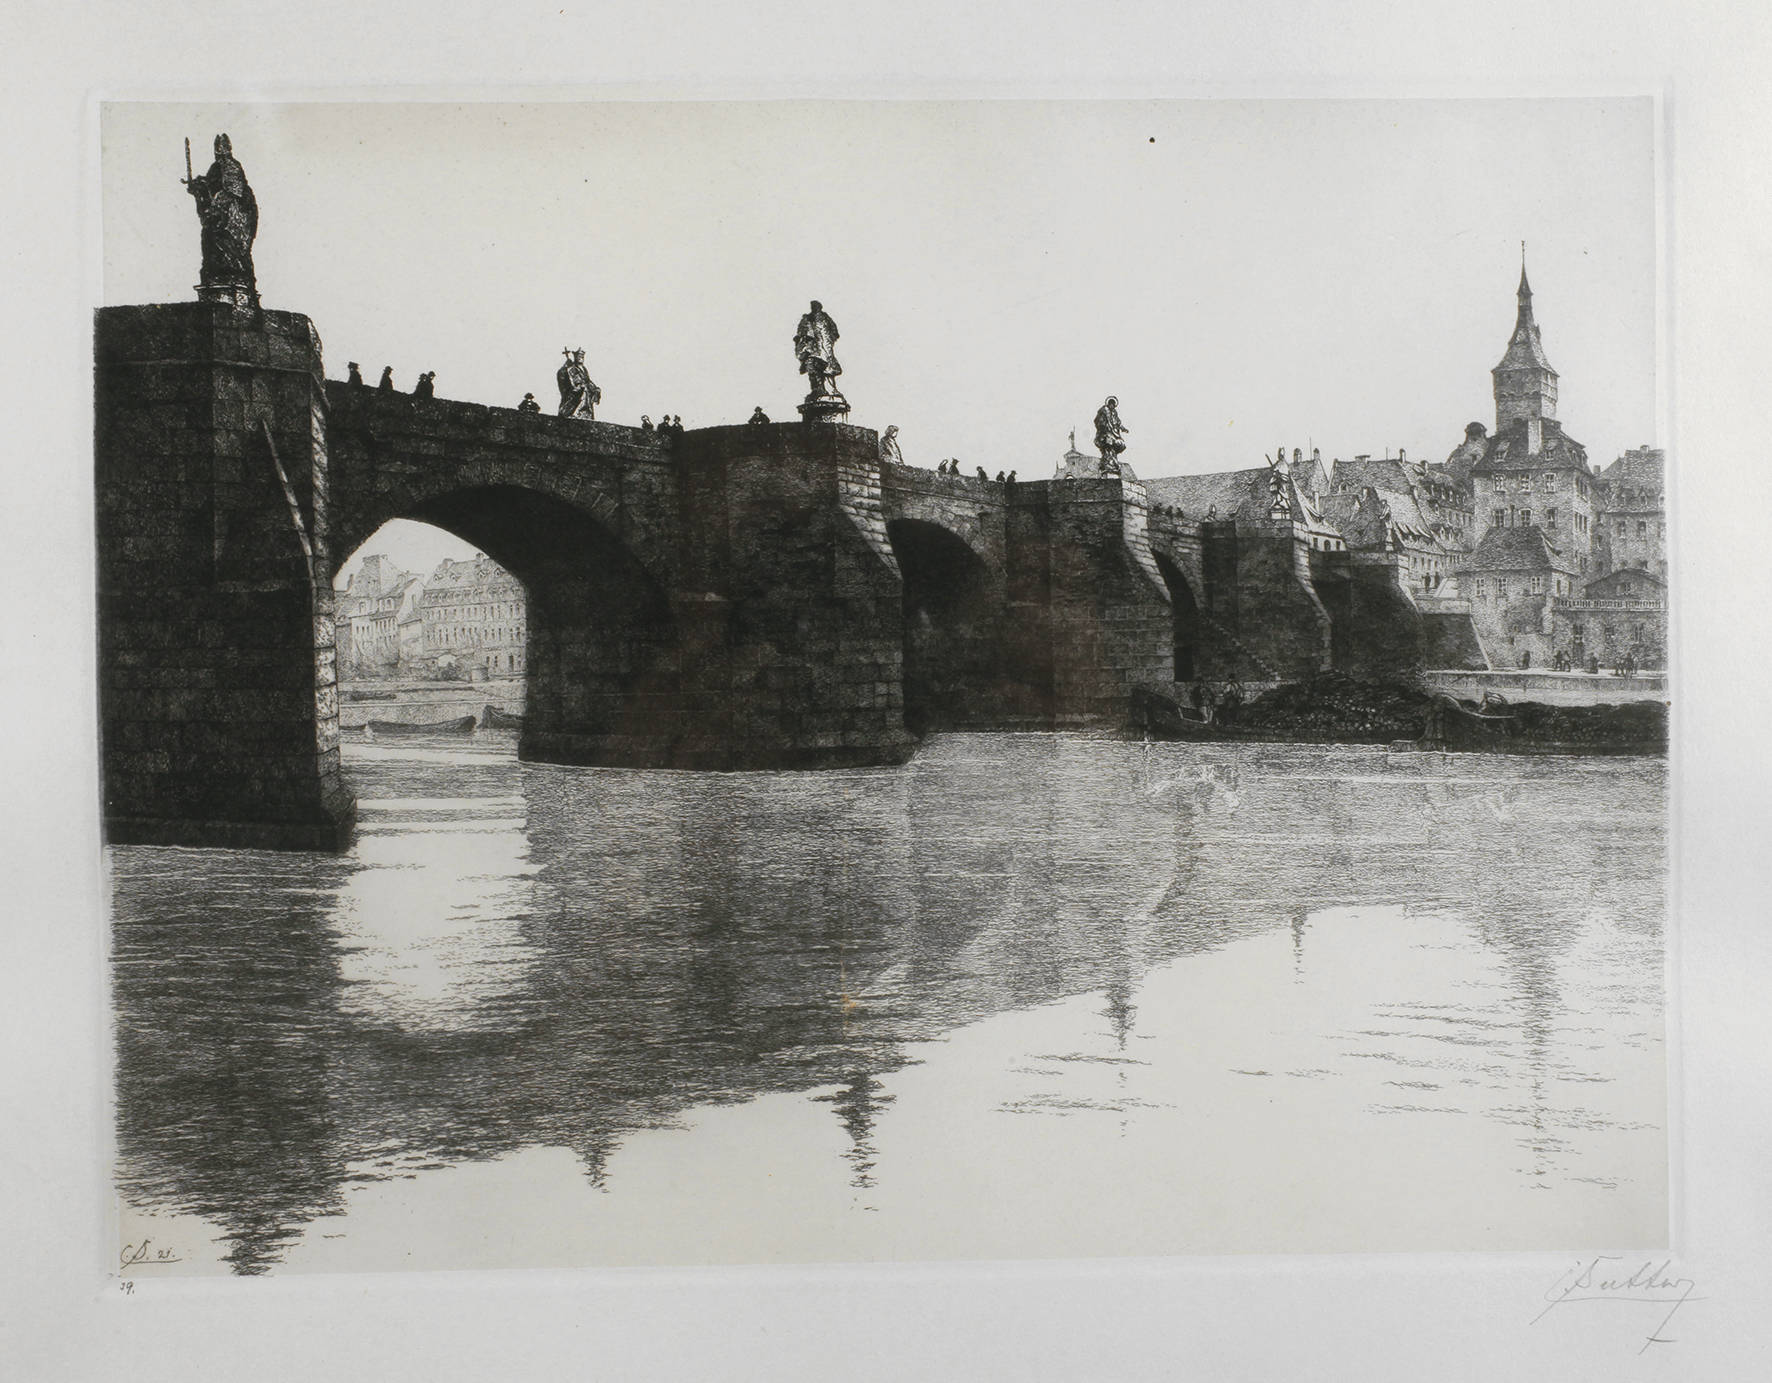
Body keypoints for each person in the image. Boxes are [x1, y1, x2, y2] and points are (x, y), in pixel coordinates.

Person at [184, 133, 258, 299]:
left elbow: (233, 192)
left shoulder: (232, 166)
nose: (219, 150)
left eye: (222, 146)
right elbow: (210, 188)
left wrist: (217, 203)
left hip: (232, 219)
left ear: (228, 148)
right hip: (219, 217)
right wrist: (199, 186)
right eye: (217, 146)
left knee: (226, 247)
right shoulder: (215, 167)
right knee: (210, 243)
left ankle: (233, 276)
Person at [794, 300, 843, 399]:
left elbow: (835, 332)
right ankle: (818, 389)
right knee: (812, 367)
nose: (815, 308)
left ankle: (831, 389)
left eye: (816, 307)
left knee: (828, 369)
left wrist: (829, 340)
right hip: (812, 349)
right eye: (813, 307)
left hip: (824, 348)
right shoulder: (807, 319)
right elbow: (801, 333)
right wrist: (804, 341)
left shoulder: (825, 318)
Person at [556, 348, 599, 419]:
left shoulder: (583, 369)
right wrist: (578, 386)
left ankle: (585, 414)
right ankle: (574, 413)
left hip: (584, 392)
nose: (581, 358)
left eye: (582, 357)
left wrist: (595, 388)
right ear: (575, 357)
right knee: (583, 391)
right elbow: (572, 380)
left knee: (587, 391)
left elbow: (587, 380)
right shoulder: (571, 368)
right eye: (579, 357)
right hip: (576, 393)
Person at [1094, 396, 1129, 468]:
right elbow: (1097, 421)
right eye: (1111, 404)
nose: (1112, 406)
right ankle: (1107, 461)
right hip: (1104, 433)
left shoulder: (1114, 412)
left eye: (1113, 404)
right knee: (1108, 444)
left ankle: (1112, 461)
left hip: (1113, 433)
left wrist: (1123, 428)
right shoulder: (1103, 410)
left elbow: (1118, 422)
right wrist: (1103, 425)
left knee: (1119, 444)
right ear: (1108, 404)